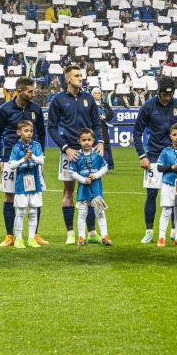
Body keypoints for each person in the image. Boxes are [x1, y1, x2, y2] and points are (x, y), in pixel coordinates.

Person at [47, 64, 104, 245]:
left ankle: (93, 232)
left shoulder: (88, 98)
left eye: (81, 75)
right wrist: (65, 148)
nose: (81, 78)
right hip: (70, 153)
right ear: (68, 79)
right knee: (69, 192)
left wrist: (100, 142)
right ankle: (71, 232)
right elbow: (52, 127)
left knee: (93, 192)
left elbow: (96, 124)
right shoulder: (58, 100)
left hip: (89, 153)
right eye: (77, 75)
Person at [132, 76, 177, 243]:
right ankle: (149, 232)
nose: (167, 98)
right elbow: (137, 132)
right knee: (151, 194)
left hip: (175, 158)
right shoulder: (148, 106)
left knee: (175, 195)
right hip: (154, 157)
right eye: (165, 95)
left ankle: (174, 232)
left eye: (170, 94)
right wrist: (142, 156)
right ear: (158, 92)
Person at [0, 76, 47, 247]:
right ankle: (10, 235)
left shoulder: (36, 109)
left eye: (34, 91)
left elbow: (41, 134)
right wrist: (0, 158)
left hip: (32, 160)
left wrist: (41, 157)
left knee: (34, 194)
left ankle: (34, 234)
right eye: (30, 91)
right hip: (11, 158)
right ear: (19, 91)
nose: (33, 94)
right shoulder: (4, 110)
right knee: (9, 196)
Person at [69, 128, 111, 246]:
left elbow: (105, 167)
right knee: (82, 213)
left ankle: (105, 236)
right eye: (83, 140)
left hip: (96, 189)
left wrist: (96, 175)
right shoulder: (77, 155)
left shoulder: (97, 154)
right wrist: (83, 179)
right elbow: (72, 172)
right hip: (83, 190)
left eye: (89, 139)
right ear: (79, 141)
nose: (86, 142)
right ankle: (81, 237)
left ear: (93, 140)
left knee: (100, 212)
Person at [8, 119, 45, 249]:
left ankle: (31, 238)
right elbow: (11, 165)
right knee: (21, 211)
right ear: (19, 132)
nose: (29, 133)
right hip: (21, 184)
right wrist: (23, 159)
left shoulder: (36, 146)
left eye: (31, 131)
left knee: (34, 210)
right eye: (26, 131)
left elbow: (41, 161)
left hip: (34, 182)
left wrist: (32, 157)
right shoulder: (16, 148)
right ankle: (18, 239)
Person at [92, 88, 115, 170]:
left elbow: (111, 114)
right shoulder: (91, 105)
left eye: (98, 93)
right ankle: (95, 164)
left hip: (103, 127)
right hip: (93, 127)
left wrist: (104, 117)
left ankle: (107, 165)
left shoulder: (105, 104)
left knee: (105, 145)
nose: (97, 94)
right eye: (95, 93)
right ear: (92, 94)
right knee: (94, 145)